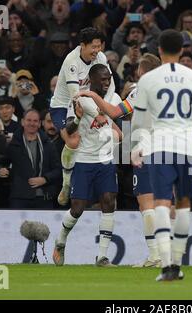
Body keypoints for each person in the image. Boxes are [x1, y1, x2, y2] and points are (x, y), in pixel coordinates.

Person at [130, 29, 192, 281]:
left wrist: (136, 146)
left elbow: (139, 120)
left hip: (160, 147)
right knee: (183, 205)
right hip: (186, 149)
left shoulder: (148, 80)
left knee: (162, 204)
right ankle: (176, 262)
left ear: (160, 51)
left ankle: (167, 266)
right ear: (183, 50)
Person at [78, 53, 162, 268]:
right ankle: (165, 255)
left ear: (142, 71)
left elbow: (115, 112)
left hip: (145, 150)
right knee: (163, 205)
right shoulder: (170, 91)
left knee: (146, 204)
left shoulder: (140, 92)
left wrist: (92, 96)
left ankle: (155, 256)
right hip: (168, 151)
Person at [52, 64, 122, 267]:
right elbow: (69, 129)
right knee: (78, 208)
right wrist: (80, 117)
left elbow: (117, 117)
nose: (106, 82)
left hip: (106, 160)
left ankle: (102, 257)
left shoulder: (114, 98)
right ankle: (61, 240)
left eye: (108, 78)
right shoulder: (79, 98)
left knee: (109, 202)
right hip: (84, 160)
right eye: (102, 79)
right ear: (91, 79)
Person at [49, 27, 115, 206]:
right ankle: (66, 183)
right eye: (93, 47)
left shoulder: (100, 58)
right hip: (65, 105)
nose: (97, 51)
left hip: (91, 102)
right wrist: (97, 114)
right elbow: (76, 97)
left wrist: (106, 109)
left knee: (116, 135)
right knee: (73, 141)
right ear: (82, 46)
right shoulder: (71, 61)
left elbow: (110, 85)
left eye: (99, 46)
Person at [0, 109, 62, 209]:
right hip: (19, 198)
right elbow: (1, 163)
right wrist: (0, 170)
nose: (32, 124)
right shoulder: (13, 144)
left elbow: (58, 170)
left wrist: (45, 179)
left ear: (40, 123)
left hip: (44, 197)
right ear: (22, 122)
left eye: (35, 121)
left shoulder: (48, 145)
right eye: (29, 120)